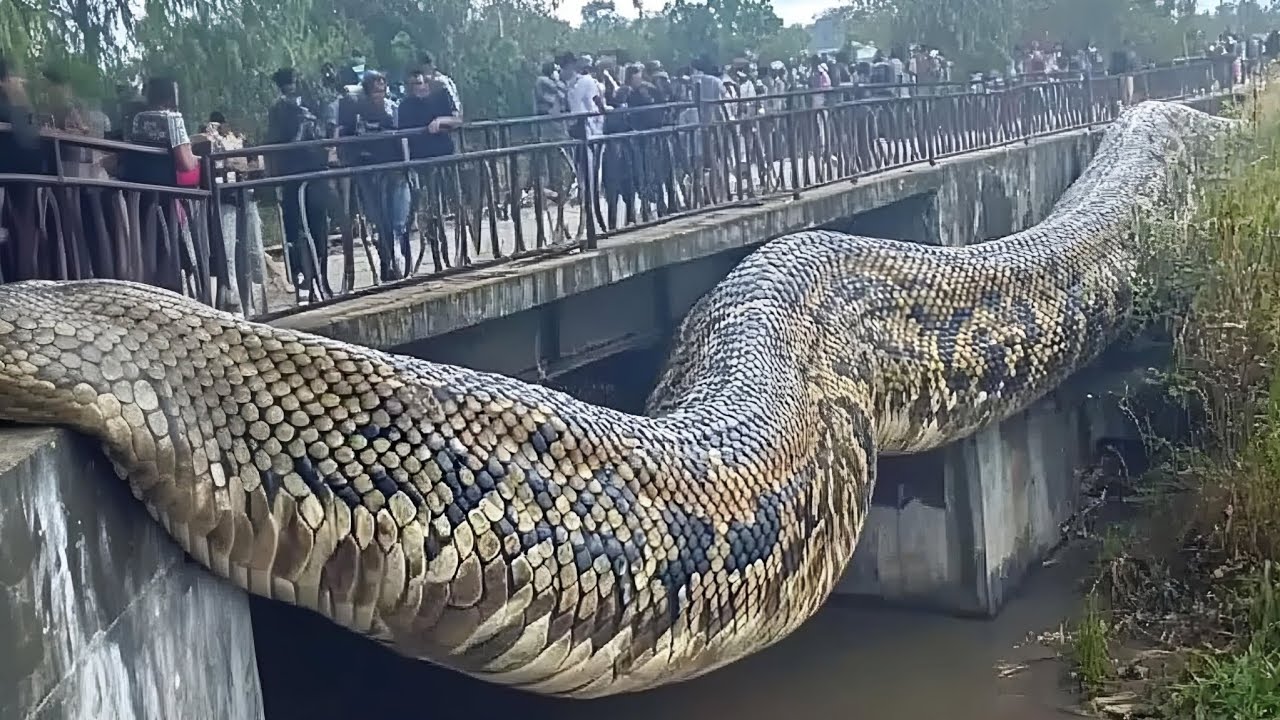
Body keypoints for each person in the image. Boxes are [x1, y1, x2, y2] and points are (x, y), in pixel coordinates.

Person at [265, 67, 333, 296]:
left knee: (319, 226)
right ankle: (299, 275)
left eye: (293, 82)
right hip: (291, 174)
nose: (291, 88)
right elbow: (273, 143)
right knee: (293, 228)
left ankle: (321, 276)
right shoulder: (278, 110)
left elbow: (325, 131)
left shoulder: (313, 103)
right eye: (286, 84)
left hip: (315, 170)